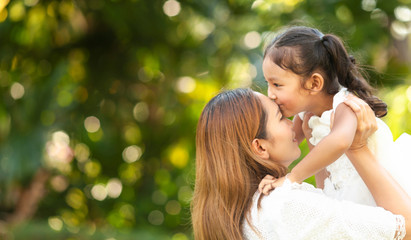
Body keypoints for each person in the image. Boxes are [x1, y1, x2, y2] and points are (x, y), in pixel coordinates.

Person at [191, 88, 410, 240]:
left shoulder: (246, 212)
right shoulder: (283, 205)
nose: (291, 123)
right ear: (259, 147)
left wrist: (317, 145)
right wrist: (357, 149)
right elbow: (404, 228)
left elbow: (327, 216)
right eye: (280, 118)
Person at [260, 26, 411, 205]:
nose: (270, 94)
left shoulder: (345, 104)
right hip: (345, 192)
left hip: (378, 189)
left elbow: (339, 141)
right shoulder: (305, 113)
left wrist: (293, 177)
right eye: (268, 84)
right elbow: (281, 143)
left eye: (277, 84)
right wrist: (269, 175)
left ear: (314, 83)